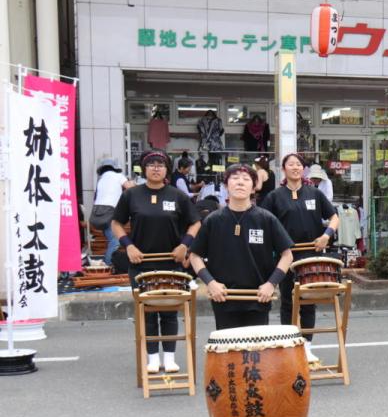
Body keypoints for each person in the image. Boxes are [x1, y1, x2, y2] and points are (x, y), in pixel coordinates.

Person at [111, 150, 201, 374]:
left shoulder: (177, 195)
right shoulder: (132, 195)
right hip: (141, 262)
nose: (156, 168)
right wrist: (128, 245)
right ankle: (152, 358)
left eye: (161, 164)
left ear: (166, 169)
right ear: (144, 168)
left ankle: (169, 357)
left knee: (169, 310)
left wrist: (184, 245)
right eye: (151, 164)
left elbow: (195, 223)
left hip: (171, 263)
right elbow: (116, 223)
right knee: (148, 312)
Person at [189, 164, 294, 330]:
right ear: (226, 186)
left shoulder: (266, 219)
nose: (240, 183)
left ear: (253, 188)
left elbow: (287, 255)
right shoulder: (213, 220)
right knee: (229, 352)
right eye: (235, 178)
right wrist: (210, 283)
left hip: (258, 298)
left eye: (246, 179)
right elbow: (194, 256)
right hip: (223, 298)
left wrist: (271, 284)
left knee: (255, 352)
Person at [260, 152, 340, 362]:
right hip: (286, 256)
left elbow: (334, 217)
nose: (295, 167)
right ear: (284, 169)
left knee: (308, 300)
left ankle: (307, 347)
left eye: (298, 164)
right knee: (288, 300)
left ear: (302, 169)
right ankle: (289, 343)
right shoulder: (275, 196)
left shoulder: (314, 193)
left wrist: (326, 235)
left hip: (312, 254)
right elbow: (263, 223)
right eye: (291, 164)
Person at [92, 158, 133, 265]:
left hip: (98, 213)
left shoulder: (101, 179)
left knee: (111, 239)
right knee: (115, 241)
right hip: (110, 211)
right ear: (115, 168)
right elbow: (130, 188)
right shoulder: (118, 176)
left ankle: (109, 262)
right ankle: (108, 263)